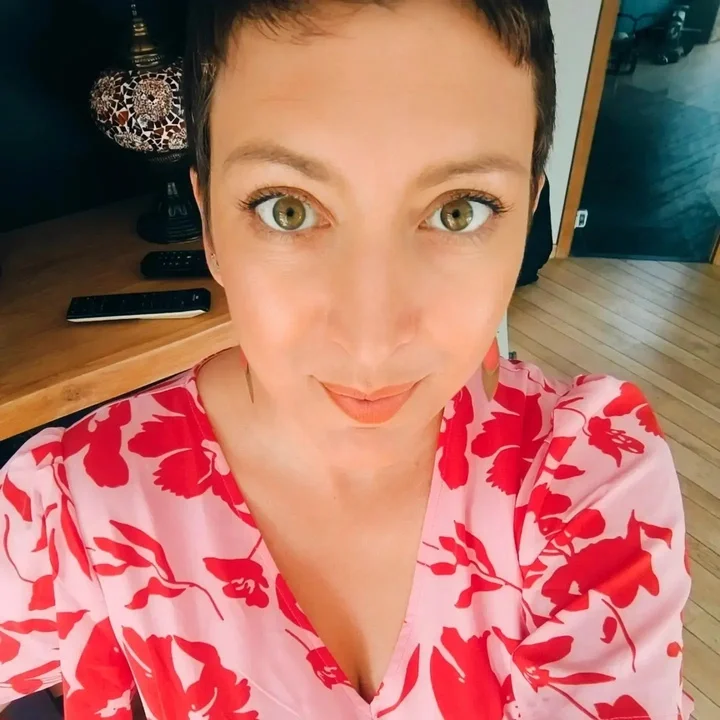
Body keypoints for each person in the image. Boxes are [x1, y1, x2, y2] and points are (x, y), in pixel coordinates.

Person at [0, 1, 692, 718]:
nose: (371, 341)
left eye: (460, 210)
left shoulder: (588, 479)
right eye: (287, 209)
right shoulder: (68, 511)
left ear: (525, 224)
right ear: (209, 227)